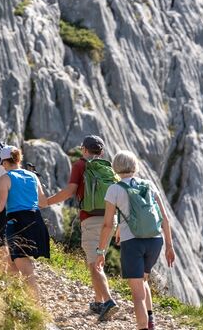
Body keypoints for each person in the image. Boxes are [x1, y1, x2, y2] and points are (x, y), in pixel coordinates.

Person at [97, 151, 176, 330]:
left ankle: (143, 327)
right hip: (155, 241)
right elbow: (164, 218)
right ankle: (151, 322)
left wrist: (101, 251)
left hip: (133, 243)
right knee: (143, 280)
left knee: (137, 293)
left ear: (115, 168)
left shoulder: (114, 189)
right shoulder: (149, 185)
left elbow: (107, 224)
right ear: (134, 166)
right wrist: (169, 246)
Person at [45, 135, 119, 320]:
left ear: (84, 149)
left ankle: (108, 301)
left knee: (95, 265)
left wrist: (46, 202)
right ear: (101, 152)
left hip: (91, 219)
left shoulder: (80, 165)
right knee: (96, 260)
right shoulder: (107, 167)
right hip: (111, 219)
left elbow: (70, 191)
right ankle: (98, 302)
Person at [0, 145, 50, 297]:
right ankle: (15, 298)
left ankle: (37, 309)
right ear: (19, 159)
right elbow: (43, 203)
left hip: (17, 222)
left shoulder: (5, 178)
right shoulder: (32, 176)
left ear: (5, 162)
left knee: (24, 265)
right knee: (12, 263)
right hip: (36, 220)